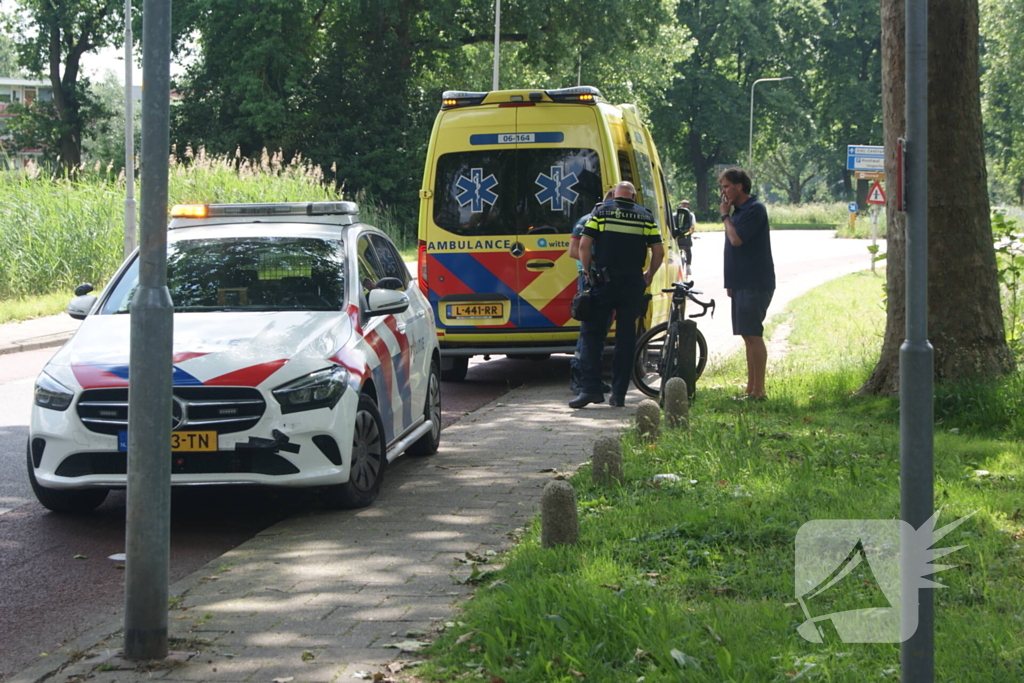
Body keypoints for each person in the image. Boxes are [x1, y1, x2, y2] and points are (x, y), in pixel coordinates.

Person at [570, 181, 664, 409]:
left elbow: (583, 246)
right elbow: (659, 251)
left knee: (592, 336)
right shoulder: (645, 217)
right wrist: (649, 274)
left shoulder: (601, 212)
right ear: (633, 196)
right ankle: (619, 394)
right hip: (632, 284)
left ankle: (590, 390)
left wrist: (587, 271)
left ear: (614, 196)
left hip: (603, 282)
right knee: (626, 338)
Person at [719, 167, 775, 400]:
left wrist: (725, 215)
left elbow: (736, 240)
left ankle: (760, 391)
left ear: (739, 186)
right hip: (741, 283)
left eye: (725, 186)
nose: (722, 192)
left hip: (755, 282)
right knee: (746, 335)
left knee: (753, 334)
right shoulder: (738, 211)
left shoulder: (755, 209)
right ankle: (750, 389)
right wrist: (730, 282)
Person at [568, 190, 615, 394]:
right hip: (590, 279)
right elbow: (573, 250)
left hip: (604, 279)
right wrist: (598, 263)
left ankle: (591, 377)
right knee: (588, 331)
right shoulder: (588, 220)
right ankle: (580, 376)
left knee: (599, 331)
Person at [674, 199, 696, 276]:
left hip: (677, 237)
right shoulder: (691, 215)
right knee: (688, 249)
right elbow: (692, 227)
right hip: (686, 237)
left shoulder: (674, 215)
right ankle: (688, 266)